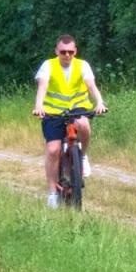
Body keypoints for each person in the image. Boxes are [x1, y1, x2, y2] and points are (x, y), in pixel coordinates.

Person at [31, 34, 107, 207]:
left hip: (78, 108)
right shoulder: (48, 65)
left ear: (75, 51)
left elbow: (91, 85)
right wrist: (39, 106)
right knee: (53, 150)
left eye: (70, 52)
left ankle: (83, 156)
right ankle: (52, 193)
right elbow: (42, 86)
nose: (67, 55)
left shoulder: (82, 65)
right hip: (53, 112)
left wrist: (100, 102)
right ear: (56, 51)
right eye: (63, 52)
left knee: (84, 125)